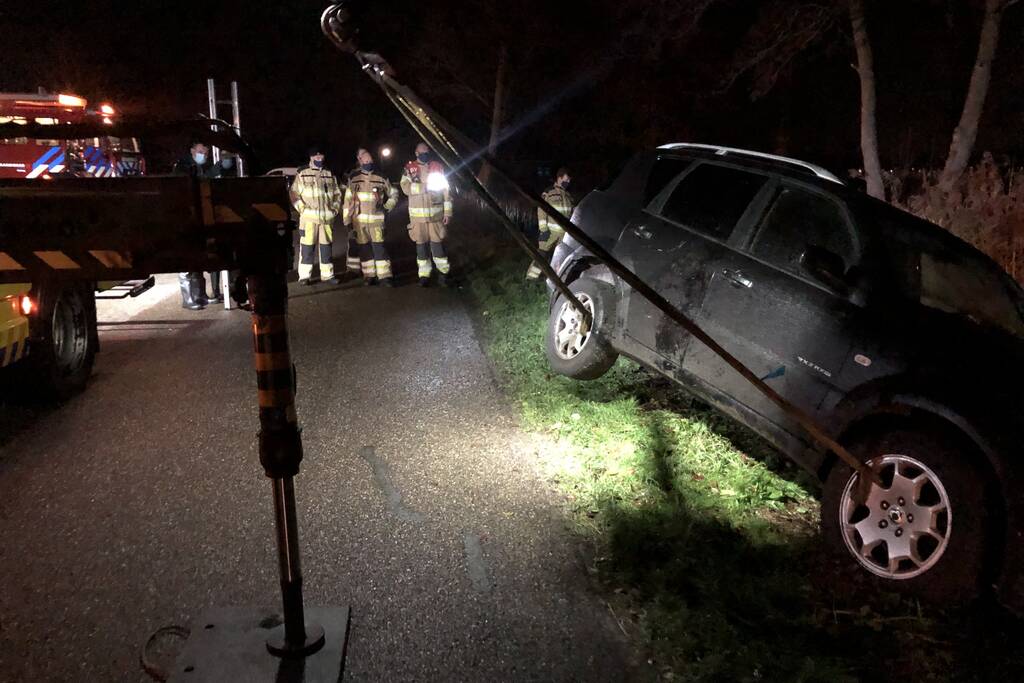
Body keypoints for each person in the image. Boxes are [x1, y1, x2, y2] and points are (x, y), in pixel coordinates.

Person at [343, 148, 399, 286]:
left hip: (376, 221)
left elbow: (394, 193)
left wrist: (387, 207)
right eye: (365, 160)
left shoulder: (381, 177)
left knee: (379, 249)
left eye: (370, 160)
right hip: (359, 222)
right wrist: (347, 220)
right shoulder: (354, 178)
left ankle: (385, 276)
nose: (368, 162)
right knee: (365, 250)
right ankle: (369, 276)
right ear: (360, 161)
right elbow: (347, 201)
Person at [400, 142, 453, 287]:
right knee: (421, 247)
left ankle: (444, 274)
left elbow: (446, 191)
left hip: (436, 216)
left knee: (438, 246)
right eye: (422, 151)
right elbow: (405, 187)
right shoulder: (409, 168)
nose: (425, 153)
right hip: (418, 219)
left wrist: (448, 212)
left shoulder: (437, 167)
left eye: (427, 150)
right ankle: (424, 275)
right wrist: (424, 187)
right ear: (416, 153)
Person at [290, 146, 342, 285]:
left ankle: (328, 275)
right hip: (308, 220)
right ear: (311, 158)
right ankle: (304, 277)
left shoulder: (329, 174)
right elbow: (294, 194)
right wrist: (302, 210)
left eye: (321, 157)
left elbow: (337, 194)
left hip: (326, 219)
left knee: (326, 248)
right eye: (316, 157)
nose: (319, 159)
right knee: (307, 248)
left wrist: (334, 210)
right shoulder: (303, 173)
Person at [172, 142, 215, 310]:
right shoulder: (183, 167)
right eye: (200, 151)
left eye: (206, 151)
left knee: (198, 260)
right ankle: (189, 298)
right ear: (192, 151)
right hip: (184, 218)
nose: (204, 154)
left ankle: (200, 296)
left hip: (197, 217)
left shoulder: (198, 166)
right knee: (186, 261)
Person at [526, 166, 574, 280]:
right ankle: (532, 277)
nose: (568, 182)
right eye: (566, 179)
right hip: (550, 232)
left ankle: (554, 278)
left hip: (563, 234)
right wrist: (543, 229)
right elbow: (541, 210)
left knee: (559, 256)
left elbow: (571, 214)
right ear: (559, 178)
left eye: (569, 181)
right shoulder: (549, 192)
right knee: (542, 255)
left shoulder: (569, 196)